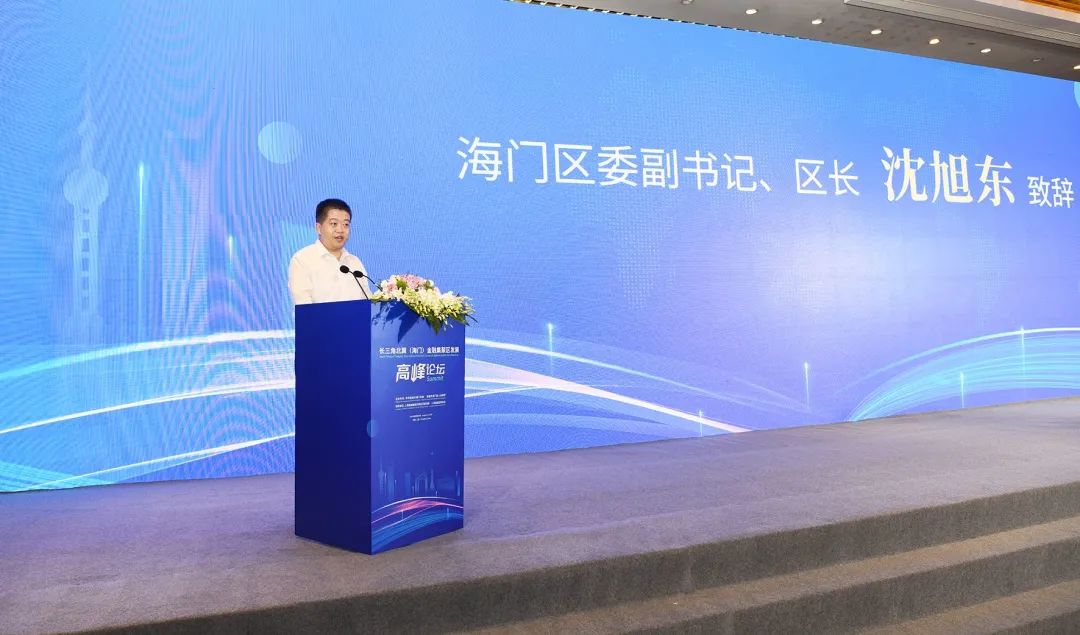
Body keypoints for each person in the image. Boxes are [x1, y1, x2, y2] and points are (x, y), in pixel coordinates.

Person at [288, 198, 372, 305]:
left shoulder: (354, 262)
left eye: (346, 224)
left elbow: (368, 302)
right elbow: (303, 305)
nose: (340, 230)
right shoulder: (302, 260)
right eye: (334, 223)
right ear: (319, 228)